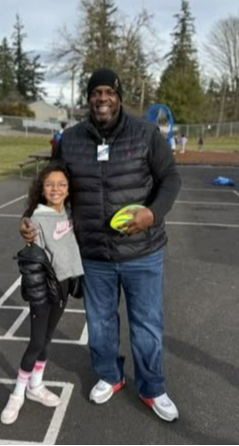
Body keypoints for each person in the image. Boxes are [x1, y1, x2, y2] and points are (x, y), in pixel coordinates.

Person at [20, 68, 181, 422]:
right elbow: (52, 184)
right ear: (89, 98)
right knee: (101, 323)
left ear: (119, 96)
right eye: (96, 92)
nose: (102, 98)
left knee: (147, 324)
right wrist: (32, 219)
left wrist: (151, 215)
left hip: (143, 251)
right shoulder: (71, 139)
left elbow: (170, 178)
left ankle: (153, 388)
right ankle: (110, 375)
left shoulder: (146, 134)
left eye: (109, 91)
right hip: (93, 253)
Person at [1, 163, 84, 425]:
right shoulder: (37, 219)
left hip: (64, 285)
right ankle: (17, 394)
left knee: (47, 339)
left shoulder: (68, 213)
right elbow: (34, 258)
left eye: (61, 184)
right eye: (50, 184)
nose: (56, 189)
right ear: (42, 189)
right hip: (45, 288)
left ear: (69, 189)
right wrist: (37, 293)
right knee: (36, 342)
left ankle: (35, 386)